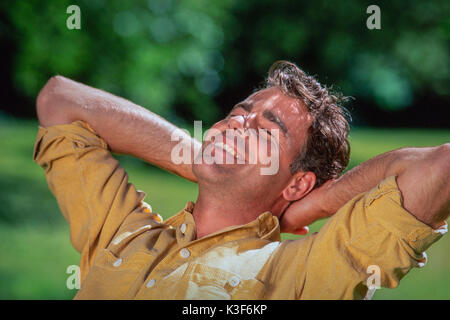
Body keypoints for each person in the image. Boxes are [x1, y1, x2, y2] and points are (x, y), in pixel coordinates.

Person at [34, 61, 449, 299]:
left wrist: (315, 206)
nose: (238, 121)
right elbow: (60, 100)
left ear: (296, 183)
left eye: (266, 130)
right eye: (239, 111)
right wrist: (196, 157)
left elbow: (440, 167)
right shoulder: (125, 232)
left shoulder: (301, 274)